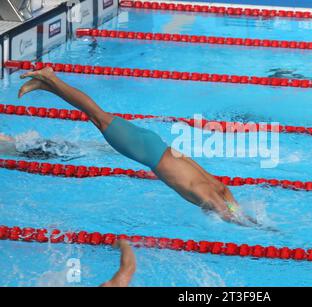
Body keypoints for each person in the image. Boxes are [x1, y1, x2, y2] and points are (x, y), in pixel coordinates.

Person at [18, 67, 254, 225]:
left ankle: (45, 85)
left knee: (96, 116)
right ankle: (51, 77)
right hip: (147, 152)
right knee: (97, 115)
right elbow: (227, 212)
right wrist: (253, 227)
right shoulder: (208, 194)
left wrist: (244, 216)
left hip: (155, 145)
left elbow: (228, 199)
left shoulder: (216, 187)